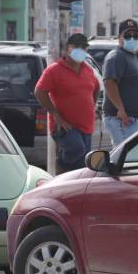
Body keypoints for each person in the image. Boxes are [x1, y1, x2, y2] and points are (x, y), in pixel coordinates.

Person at [34, 33, 99, 172]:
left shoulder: (87, 69)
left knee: (83, 166)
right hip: (65, 126)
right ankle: (61, 164)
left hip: (86, 126)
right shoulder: (55, 69)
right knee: (77, 149)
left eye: (84, 47)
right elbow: (40, 91)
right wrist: (55, 115)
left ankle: (70, 184)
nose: (81, 50)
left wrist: (93, 106)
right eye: (77, 46)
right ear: (68, 48)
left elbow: (96, 87)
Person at [102, 18, 138, 146]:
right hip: (124, 120)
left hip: (132, 121)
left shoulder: (130, 56)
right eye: (128, 35)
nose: (132, 38)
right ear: (119, 37)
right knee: (126, 159)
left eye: (135, 35)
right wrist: (121, 109)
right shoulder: (116, 56)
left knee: (129, 159)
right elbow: (109, 82)